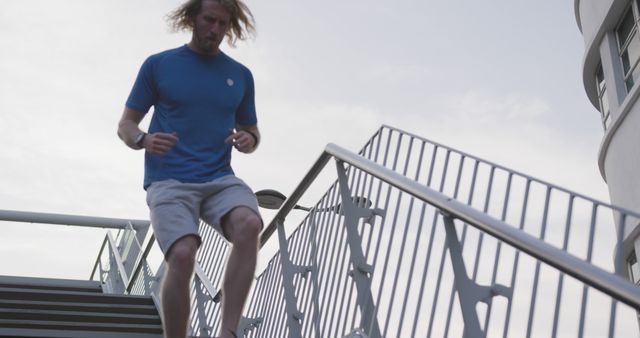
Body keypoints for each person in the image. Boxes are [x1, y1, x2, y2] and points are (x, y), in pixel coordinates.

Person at [117, 1, 261, 337]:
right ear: (192, 18)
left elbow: (253, 131)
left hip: (219, 178)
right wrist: (143, 139)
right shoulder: (159, 65)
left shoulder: (240, 75)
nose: (215, 30)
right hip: (168, 181)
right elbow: (125, 124)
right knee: (182, 255)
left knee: (250, 223)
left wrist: (248, 139)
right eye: (209, 20)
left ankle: (228, 331)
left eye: (223, 24)